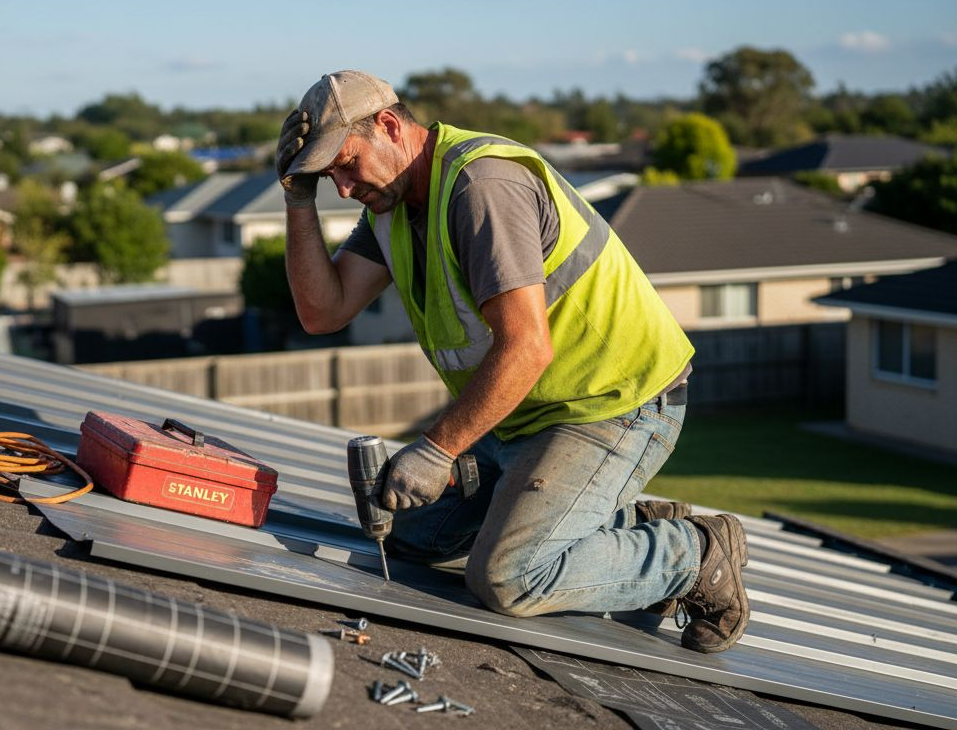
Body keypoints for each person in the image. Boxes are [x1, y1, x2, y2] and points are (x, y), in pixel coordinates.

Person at [275, 70, 749, 653]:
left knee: (508, 577)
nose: (343, 188)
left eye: (346, 165)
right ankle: (623, 523)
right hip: (521, 413)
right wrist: (299, 199)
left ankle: (695, 552)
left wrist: (437, 449)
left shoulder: (481, 186)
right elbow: (324, 311)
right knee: (404, 534)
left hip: (612, 403)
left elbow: (527, 347)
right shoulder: (392, 207)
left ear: (391, 127)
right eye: (328, 178)